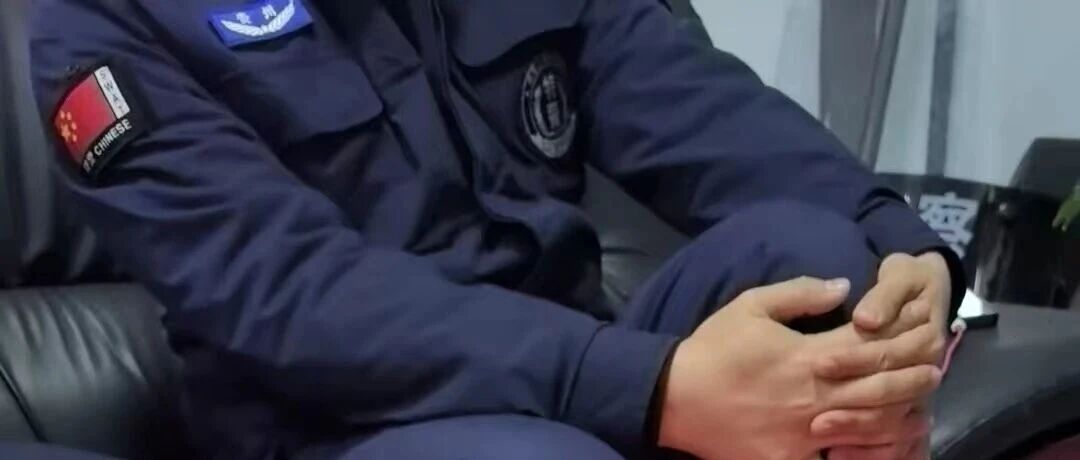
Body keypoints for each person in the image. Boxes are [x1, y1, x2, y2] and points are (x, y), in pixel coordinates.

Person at [30, 0, 964, 459]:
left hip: (577, 364)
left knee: (831, 275)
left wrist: (898, 239)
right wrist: (655, 388)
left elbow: (692, 103)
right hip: (347, 428)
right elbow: (300, 299)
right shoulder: (105, 24)